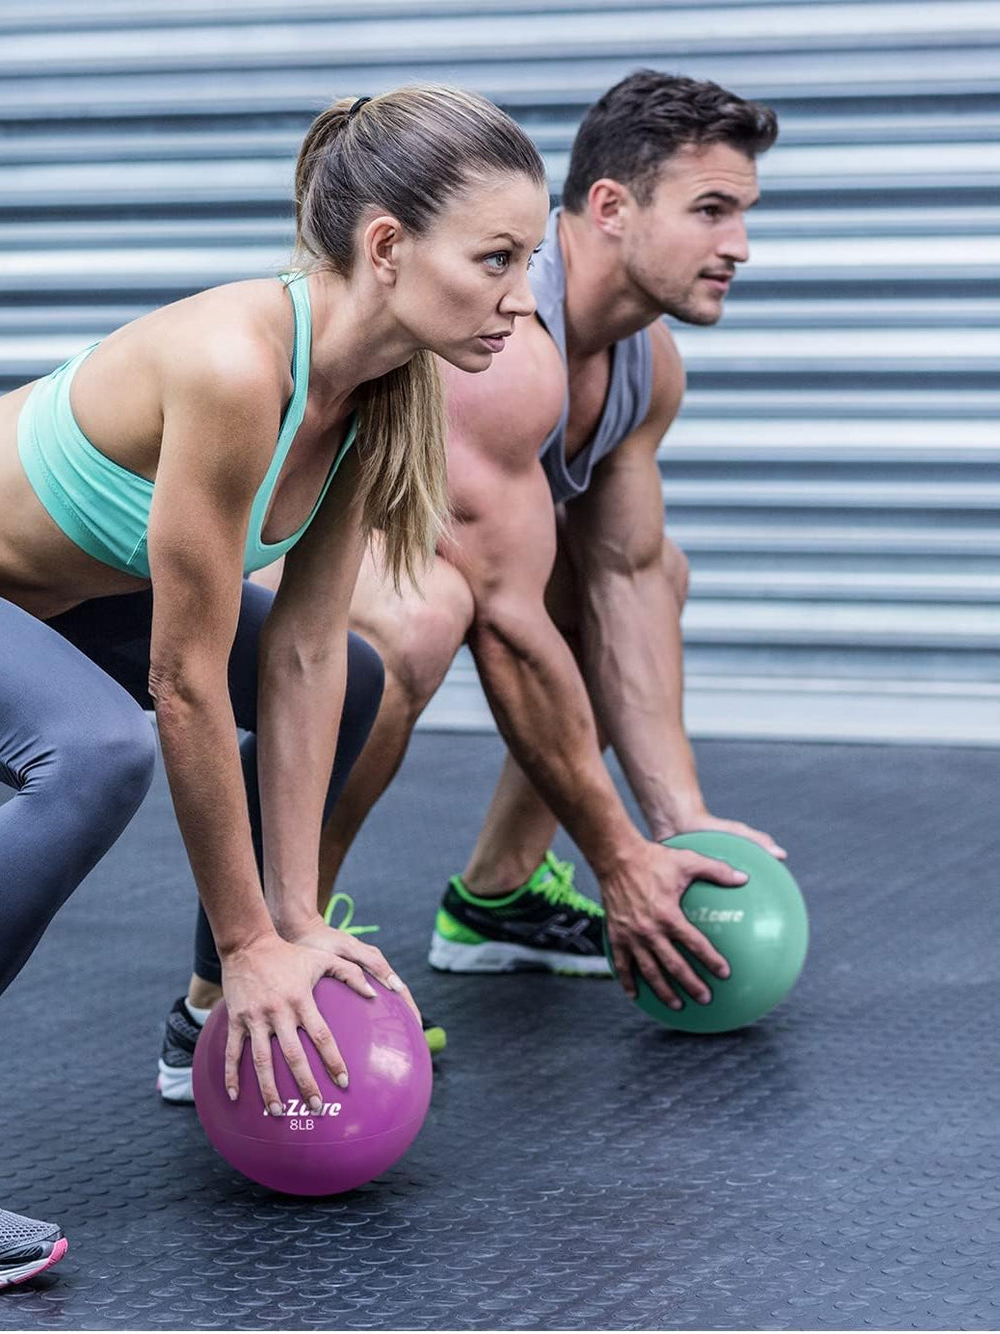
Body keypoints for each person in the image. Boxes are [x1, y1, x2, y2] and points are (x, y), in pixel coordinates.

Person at [0, 84, 549, 1292]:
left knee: (363, 678)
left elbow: (308, 655)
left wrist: (287, 927)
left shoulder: (384, 390)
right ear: (386, 246)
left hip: (52, 589)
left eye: (526, 261)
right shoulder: (232, 363)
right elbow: (179, 678)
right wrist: (246, 923)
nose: (521, 299)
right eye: (494, 259)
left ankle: (210, 1018)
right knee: (97, 751)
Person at [159, 71, 783, 1101]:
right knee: (419, 614)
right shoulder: (505, 351)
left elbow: (622, 579)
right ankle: (239, 971)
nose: (739, 246)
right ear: (610, 208)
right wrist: (616, 856)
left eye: (744, 214)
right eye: (709, 210)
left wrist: (677, 827)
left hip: (450, 575)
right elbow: (502, 618)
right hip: (282, 589)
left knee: (648, 567)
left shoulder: (644, 365)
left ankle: (496, 897)